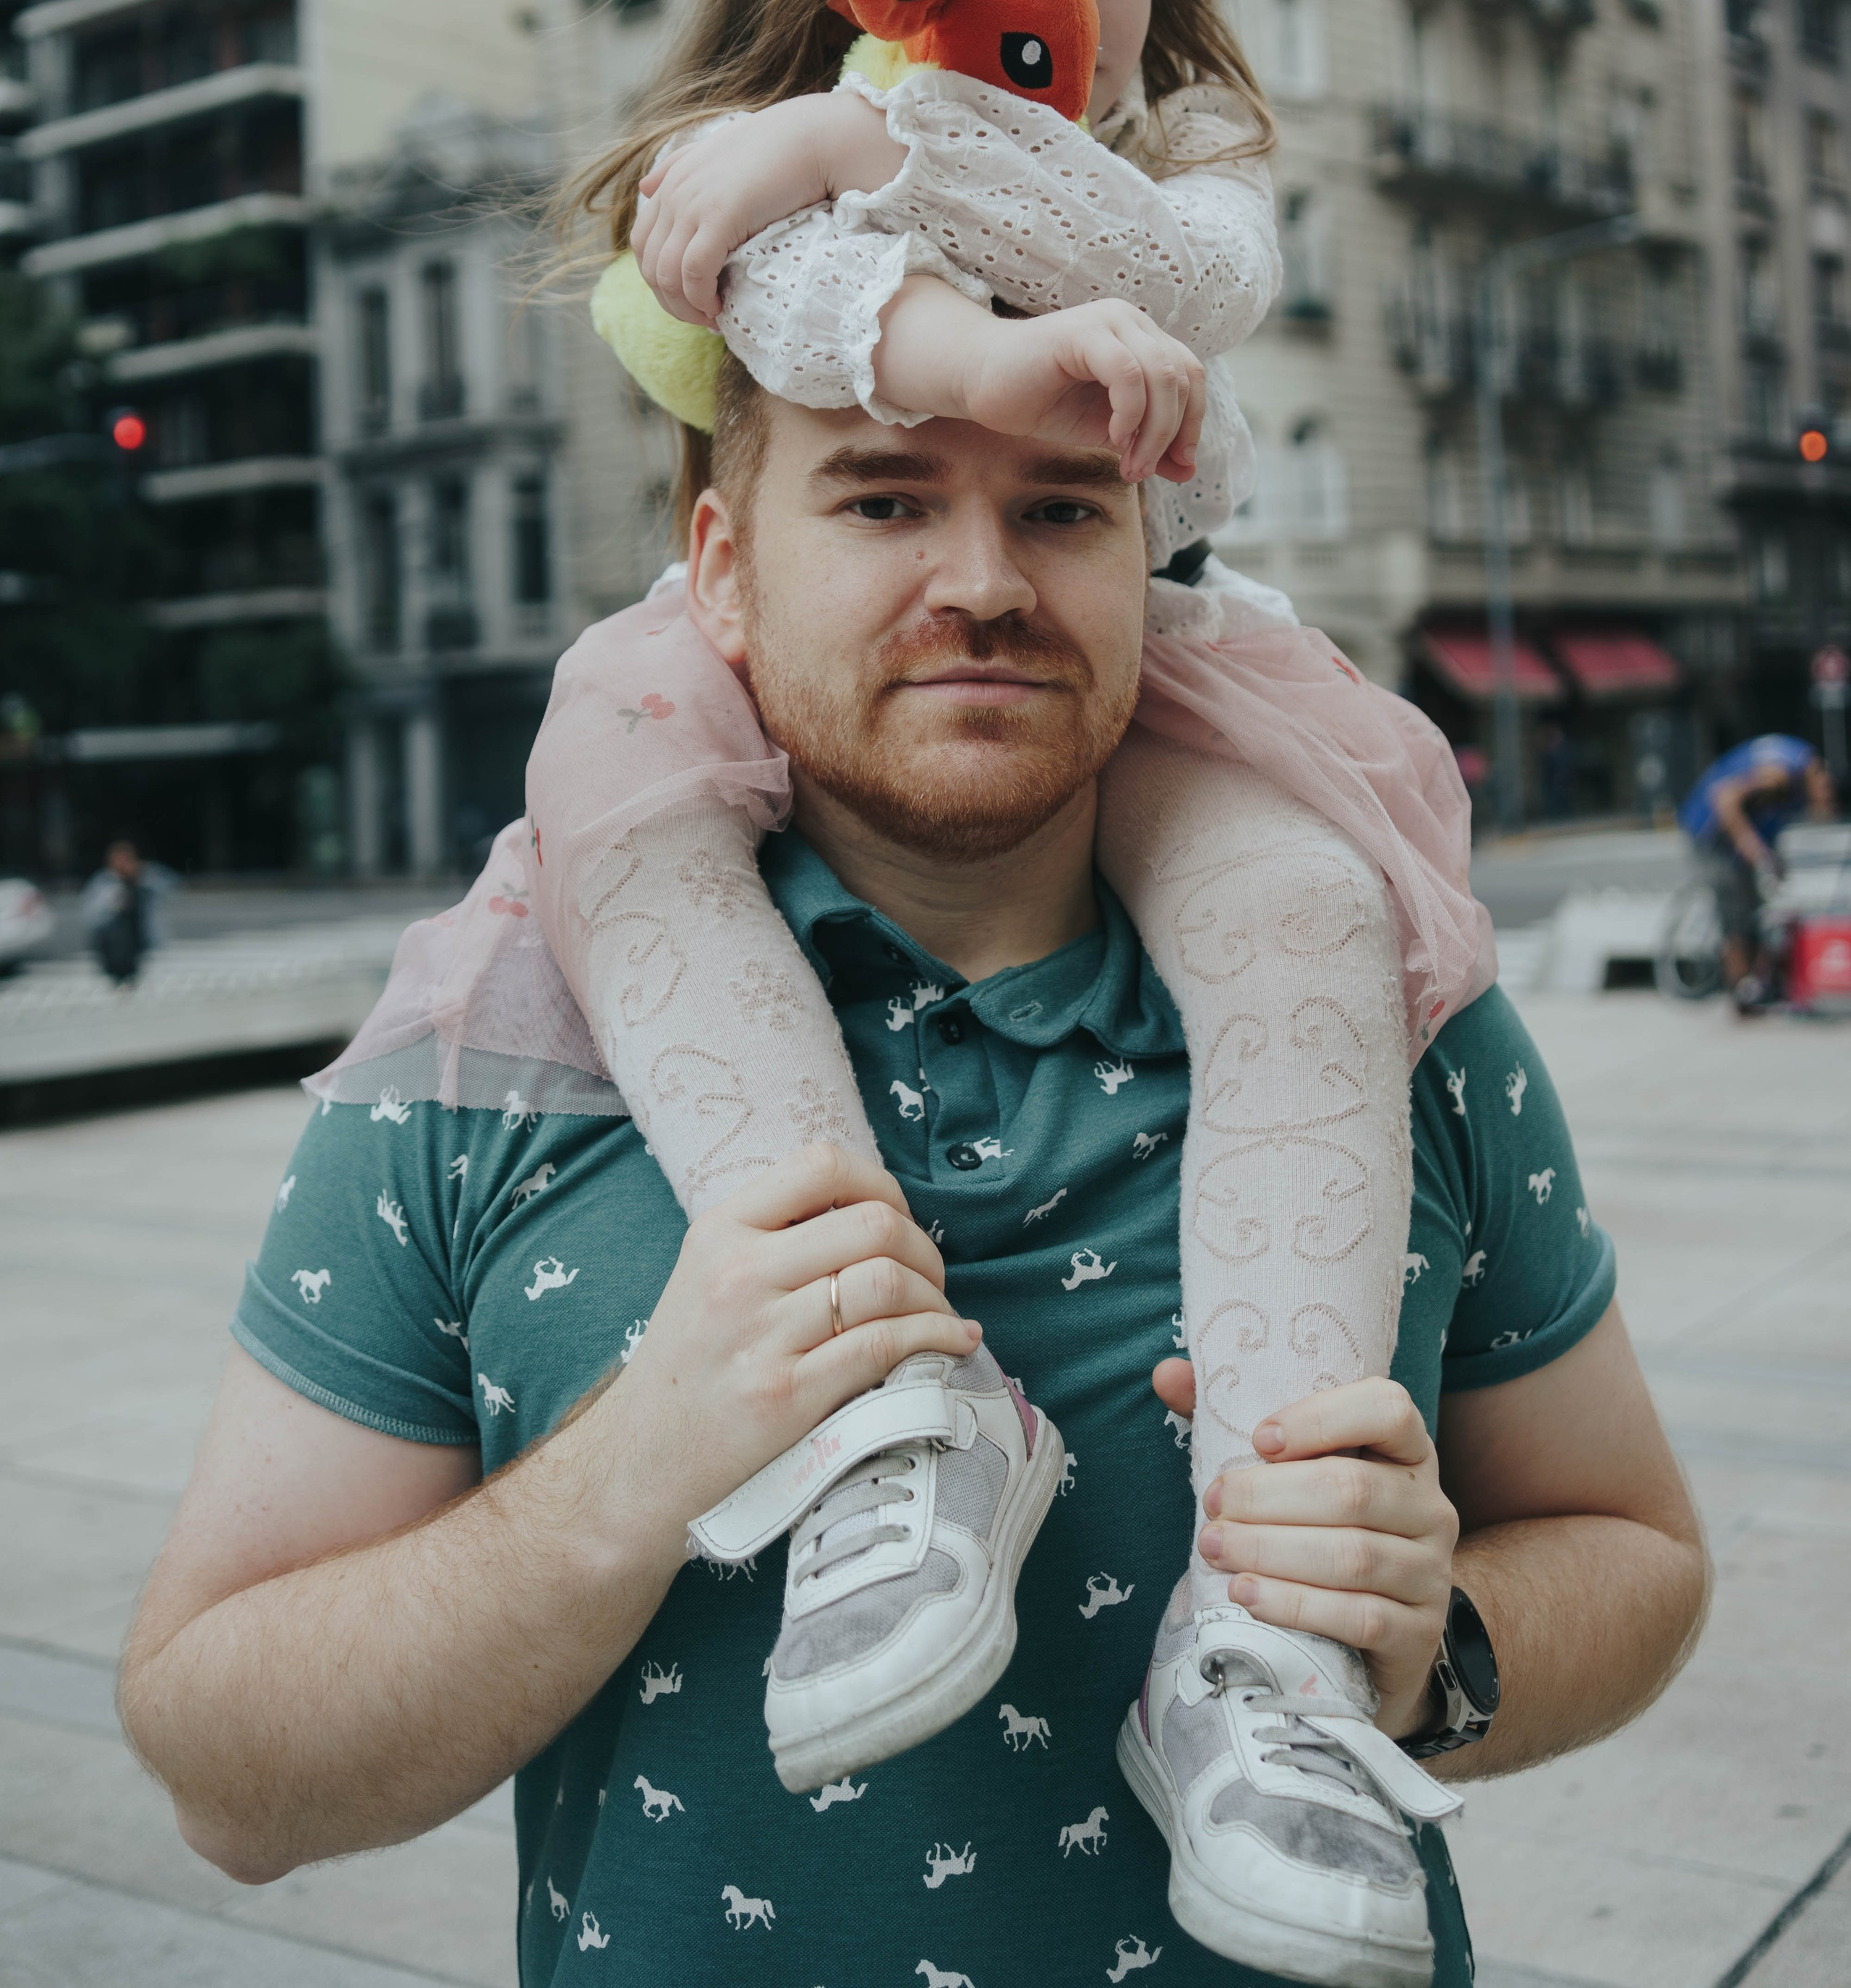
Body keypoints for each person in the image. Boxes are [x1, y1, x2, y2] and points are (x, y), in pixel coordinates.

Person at [119, 373, 1708, 1988]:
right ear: (723, 570)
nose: (984, 583)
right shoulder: (492, 1054)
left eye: (1061, 508)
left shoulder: (1393, 1028)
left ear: (1146, 557)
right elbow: (226, 1779)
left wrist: (1429, 1648)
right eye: (882, 500)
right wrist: (629, 1477)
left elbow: (1633, 1548)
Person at [371, 0, 1489, 1871]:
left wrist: (881, 141)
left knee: (1296, 901)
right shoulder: (736, 169)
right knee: (611, 783)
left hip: (1141, 662)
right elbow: (757, 305)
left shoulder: (1176, 148)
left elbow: (1197, 281)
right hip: (739, 677)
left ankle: (1265, 1634)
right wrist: (882, 218)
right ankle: (891, 1399)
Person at [1677, 733, 1837, 1007]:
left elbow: (1770, 820)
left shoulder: (1798, 781)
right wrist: (1757, 853)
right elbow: (1725, 799)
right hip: (1709, 831)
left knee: (1756, 906)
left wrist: (1772, 860)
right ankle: (1740, 991)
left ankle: (1758, 981)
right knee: (1735, 909)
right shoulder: (1780, 773)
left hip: (1738, 836)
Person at [80, 837, 175, 988]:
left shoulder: (147, 879)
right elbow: (91, 916)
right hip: (113, 949)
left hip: (143, 947)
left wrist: (143, 874)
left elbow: (171, 887)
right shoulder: (103, 883)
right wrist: (115, 902)